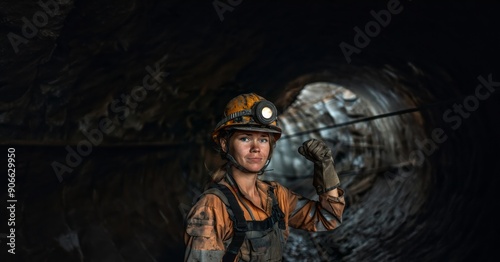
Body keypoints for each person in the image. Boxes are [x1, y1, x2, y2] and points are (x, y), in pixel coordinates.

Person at [184, 93, 345, 261]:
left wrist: (325, 168)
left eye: (263, 140)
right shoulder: (212, 208)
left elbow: (328, 219)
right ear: (225, 144)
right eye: (245, 138)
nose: (256, 148)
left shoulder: (276, 195)